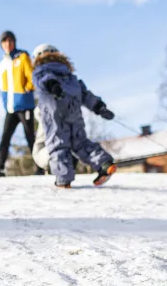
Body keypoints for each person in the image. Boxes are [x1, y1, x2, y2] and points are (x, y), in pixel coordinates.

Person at [31, 44, 118, 189]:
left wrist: (54, 87)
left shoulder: (40, 70)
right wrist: (99, 107)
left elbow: (45, 80)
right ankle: (104, 163)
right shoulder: (70, 76)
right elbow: (85, 95)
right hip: (74, 113)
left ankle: (63, 181)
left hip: (55, 114)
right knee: (81, 143)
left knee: (58, 145)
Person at [0, 30, 39, 176]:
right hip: (11, 107)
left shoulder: (22, 57)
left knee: (30, 136)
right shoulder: (2, 64)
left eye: (10, 41)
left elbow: (31, 76)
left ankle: (40, 166)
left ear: (14, 42)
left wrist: (27, 88)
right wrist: (5, 102)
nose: (8, 44)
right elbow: (3, 86)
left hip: (25, 104)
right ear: (1, 45)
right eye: (5, 41)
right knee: (5, 137)